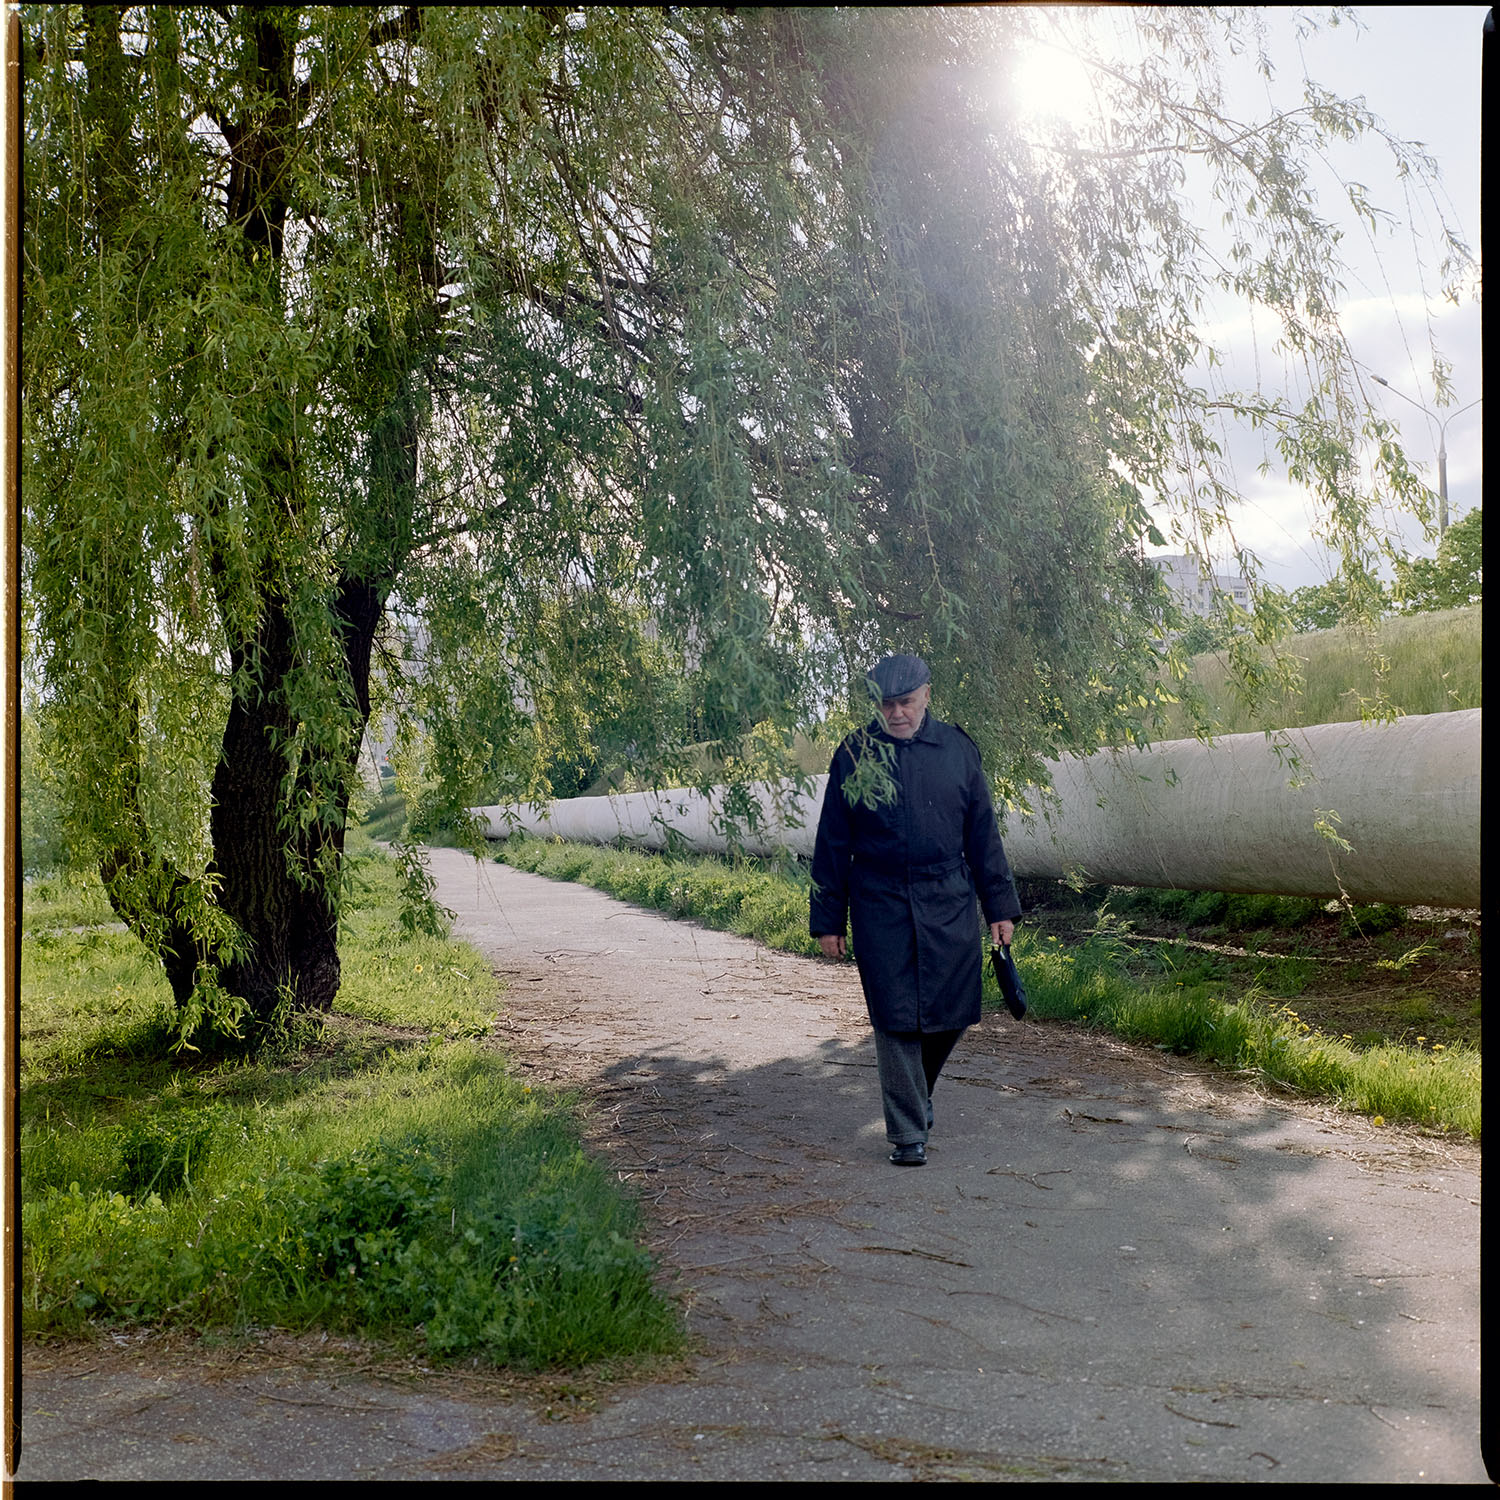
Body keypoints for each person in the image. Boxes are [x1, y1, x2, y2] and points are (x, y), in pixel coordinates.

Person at [810, 654, 1022, 1166]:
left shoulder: (957, 750)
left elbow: (983, 833)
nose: (896, 713)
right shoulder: (854, 753)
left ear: (927, 695)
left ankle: (915, 1093)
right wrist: (828, 918)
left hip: (947, 894)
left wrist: (1000, 906)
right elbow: (832, 840)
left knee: (954, 1008)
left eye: (905, 702)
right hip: (879, 899)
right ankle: (908, 1133)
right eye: (886, 705)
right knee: (894, 1013)